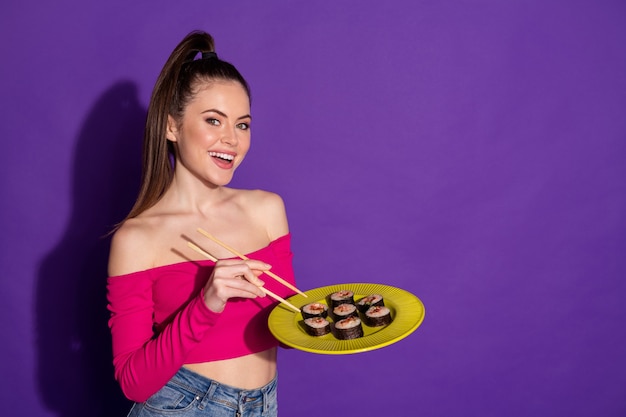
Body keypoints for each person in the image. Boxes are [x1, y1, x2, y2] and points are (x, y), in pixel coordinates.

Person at [106, 30, 296, 417]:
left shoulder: (267, 209)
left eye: (242, 125)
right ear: (171, 127)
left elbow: (286, 326)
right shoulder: (137, 239)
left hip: (265, 404)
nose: (231, 139)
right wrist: (208, 301)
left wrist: (333, 321)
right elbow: (134, 381)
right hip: (183, 406)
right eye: (214, 120)